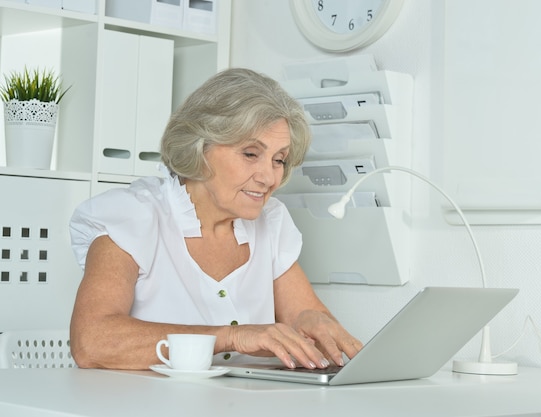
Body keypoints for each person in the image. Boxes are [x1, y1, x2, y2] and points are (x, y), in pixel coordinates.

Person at [69, 68, 362, 370]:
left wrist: (311, 322)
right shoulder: (135, 215)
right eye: (250, 154)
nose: (268, 177)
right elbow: (91, 342)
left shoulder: (271, 222)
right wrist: (232, 337)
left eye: (279, 160)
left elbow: (305, 318)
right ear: (200, 146)